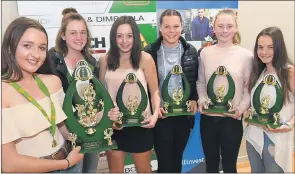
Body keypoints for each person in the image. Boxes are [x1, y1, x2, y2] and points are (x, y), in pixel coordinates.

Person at [1, 17, 84, 173]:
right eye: (27, 46)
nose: (36, 54)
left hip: (71, 163)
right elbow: (9, 164)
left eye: (41, 48)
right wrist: (64, 164)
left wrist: (99, 123)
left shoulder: (53, 82)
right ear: (10, 48)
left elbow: (62, 128)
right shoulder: (3, 92)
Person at [99, 16, 160, 173]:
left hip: (140, 125)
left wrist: (154, 116)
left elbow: (155, 92)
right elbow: (101, 95)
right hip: (113, 126)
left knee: (144, 170)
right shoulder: (104, 60)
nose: (124, 41)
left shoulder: (145, 59)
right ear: (114, 37)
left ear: (136, 36)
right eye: (119, 36)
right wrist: (107, 118)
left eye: (129, 36)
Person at [197, 9, 253, 173]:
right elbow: (200, 82)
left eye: (229, 26)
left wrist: (241, 109)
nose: (225, 30)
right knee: (211, 165)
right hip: (208, 119)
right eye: (220, 26)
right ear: (213, 27)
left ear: (236, 28)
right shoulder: (205, 53)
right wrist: (201, 99)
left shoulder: (246, 56)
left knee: (229, 166)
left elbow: (248, 89)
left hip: (232, 120)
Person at [144, 9, 198, 173]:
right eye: (167, 26)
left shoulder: (191, 51)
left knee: (177, 159)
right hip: (161, 115)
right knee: (165, 162)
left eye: (176, 26)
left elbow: (194, 78)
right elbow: (145, 86)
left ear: (182, 27)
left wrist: (194, 98)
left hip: (183, 115)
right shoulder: (149, 52)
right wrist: (154, 108)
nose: (172, 31)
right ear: (160, 27)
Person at [49, 8, 99, 173]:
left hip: (91, 132)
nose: (79, 37)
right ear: (63, 35)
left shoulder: (92, 62)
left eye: (83, 32)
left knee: (90, 170)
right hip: (62, 135)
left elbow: (98, 98)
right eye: (73, 33)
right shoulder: (51, 61)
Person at [245, 27, 294, 173]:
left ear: (279, 48)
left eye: (270, 47)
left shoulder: (288, 72)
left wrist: (289, 125)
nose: (264, 52)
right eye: (260, 47)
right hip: (253, 135)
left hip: (275, 137)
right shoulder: (258, 71)